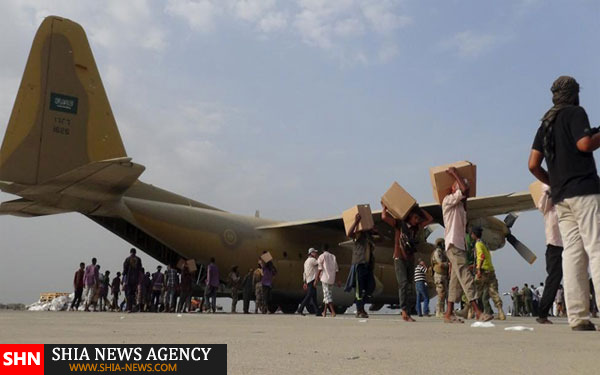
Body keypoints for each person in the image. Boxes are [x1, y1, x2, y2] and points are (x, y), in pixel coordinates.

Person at [528, 75, 600, 331]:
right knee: (597, 248)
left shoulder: (545, 122)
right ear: (575, 94)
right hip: (584, 190)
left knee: (572, 254)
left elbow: (533, 164)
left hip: (562, 198)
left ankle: (578, 318)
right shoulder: (575, 112)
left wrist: (553, 182)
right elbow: (585, 143)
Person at [442, 167, 492, 323]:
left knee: (455, 282)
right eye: (459, 186)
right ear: (453, 189)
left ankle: (449, 313)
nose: (465, 191)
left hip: (459, 247)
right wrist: (455, 174)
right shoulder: (447, 201)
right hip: (453, 245)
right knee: (466, 277)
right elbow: (463, 190)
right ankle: (478, 312)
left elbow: (465, 194)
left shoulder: (461, 209)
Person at [381, 203, 433, 322]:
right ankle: (404, 311)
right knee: (403, 283)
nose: (417, 220)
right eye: (415, 217)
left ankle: (408, 312)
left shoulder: (416, 228)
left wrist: (419, 209)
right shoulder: (400, 224)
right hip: (399, 257)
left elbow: (430, 219)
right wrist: (384, 208)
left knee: (409, 285)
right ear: (410, 216)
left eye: (418, 218)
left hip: (410, 258)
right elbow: (384, 217)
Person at [344, 213, 376, 319]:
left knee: (371, 286)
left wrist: (376, 231)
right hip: (359, 265)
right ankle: (359, 310)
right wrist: (356, 222)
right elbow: (349, 233)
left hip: (368, 266)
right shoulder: (359, 235)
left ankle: (361, 308)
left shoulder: (369, 236)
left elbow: (382, 239)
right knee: (360, 289)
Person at [471, 227, 506, 320]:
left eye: (471, 234)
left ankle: (471, 312)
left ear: (474, 235)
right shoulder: (484, 244)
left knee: (475, 291)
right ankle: (501, 312)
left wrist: (478, 269)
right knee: (494, 292)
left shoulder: (478, 244)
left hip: (482, 271)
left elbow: (481, 256)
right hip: (490, 270)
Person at [297, 248, 320, 316]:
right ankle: (300, 309)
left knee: (314, 297)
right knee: (309, 295)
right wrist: (318, 257)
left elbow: (304, 273)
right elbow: (319, 263)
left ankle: (317, 311)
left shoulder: (306, 261)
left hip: (308, 280)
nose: (316, 253)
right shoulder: (312, 260)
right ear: (311, 253)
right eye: (314, 252)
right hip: (312, 279)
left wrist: (304, 282)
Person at [317, 244, 339, 317]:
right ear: (328, 249)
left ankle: (333, 312)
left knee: (327, 296)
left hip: (325, 278)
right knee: (327, 294)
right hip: (332, 279)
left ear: (322, 250)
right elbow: (336, 270)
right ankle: (324, 312)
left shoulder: (321, 256)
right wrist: (338, 280)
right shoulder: (333, 256)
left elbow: (320, 268)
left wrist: (316, 278)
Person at [431, 239, 449, 318]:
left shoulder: (442, 252)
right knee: (440, 294)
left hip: (443, 275)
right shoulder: (437, 252)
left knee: (444, 294)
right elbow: (441, 264)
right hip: (439, 275)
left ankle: (442, 310)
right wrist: (448, 264)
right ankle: (438, 311)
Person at [122, 248, 142, 313]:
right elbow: (140, 269)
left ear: (130, 252)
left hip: (129, 279)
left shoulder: (127, 259)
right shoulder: (138, 259)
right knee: (133, 293)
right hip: (135, 279)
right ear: (135, 252)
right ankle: (133, 307)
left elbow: (125, 270)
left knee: (128, 294)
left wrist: (123, 276)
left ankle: (129, 308)